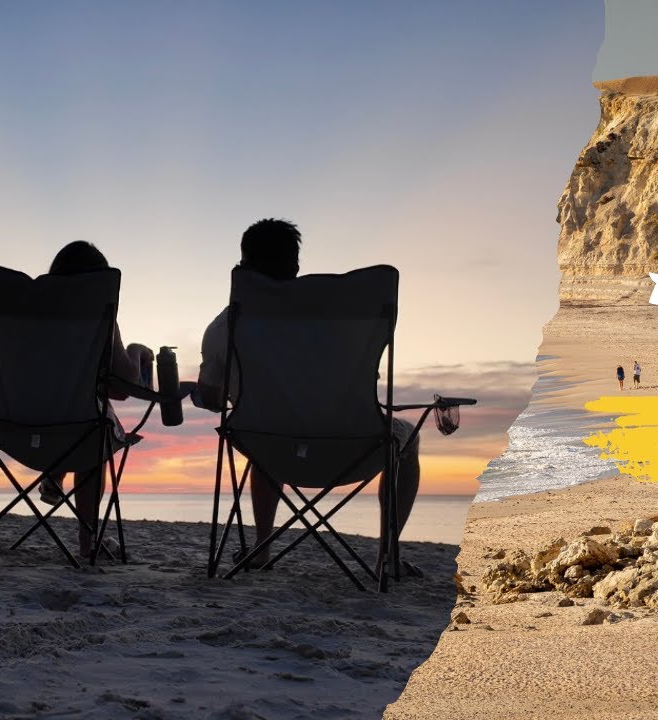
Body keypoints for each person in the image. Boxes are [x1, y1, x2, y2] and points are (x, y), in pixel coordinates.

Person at [193, 219, 424, 571]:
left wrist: (200, 392)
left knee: (261, 428)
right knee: (410, 435)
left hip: (270, 449)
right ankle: (387, 557)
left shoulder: (227, 324)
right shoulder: (345, 318)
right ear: (296, 266)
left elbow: (211, 399)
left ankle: (262, 548)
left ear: (241, 265)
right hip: (355, 447)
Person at [39, 241, 152, 557]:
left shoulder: (27, 315)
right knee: (95, 432)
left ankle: (54, 472)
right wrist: (136, 351)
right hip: (82, 428)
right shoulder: (100, 316)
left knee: (83, 417)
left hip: (19, 422)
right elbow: (124, 386)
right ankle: (88, 544)